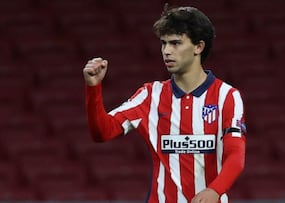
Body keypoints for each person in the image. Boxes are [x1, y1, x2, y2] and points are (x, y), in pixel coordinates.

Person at [83, 6, 246, 203]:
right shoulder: (150, 95)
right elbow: (102, 132)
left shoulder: (226, 96)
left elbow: (236, 156)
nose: (167, 51)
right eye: (164, 43)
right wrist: (94, 88)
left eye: (176, 43)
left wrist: (215, 191)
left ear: (199, 47)